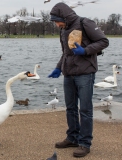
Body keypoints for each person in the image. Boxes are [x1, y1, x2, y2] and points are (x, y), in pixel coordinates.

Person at [48, 2, 109, 158]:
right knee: (70, 108)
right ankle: (72, 138)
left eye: (57, 21)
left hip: (85, 73)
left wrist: (86, 50)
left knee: (85, 110)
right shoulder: (64, 30)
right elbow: (66, 53)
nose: (56, 24)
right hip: (69, 73)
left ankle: (85, 143)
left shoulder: (85, 23)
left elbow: (103, 41)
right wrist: (58, 68)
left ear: (64, 16)